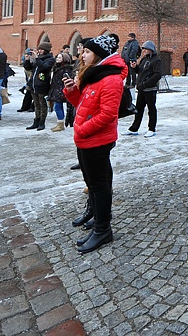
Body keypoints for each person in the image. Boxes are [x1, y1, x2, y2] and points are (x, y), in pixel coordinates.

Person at [63, 34, 126, 254]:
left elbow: (108, 114)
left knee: (99, 186)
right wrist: (72, 92)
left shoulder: (110, 78)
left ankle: (103, 229)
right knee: (93, 182)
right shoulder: (95, 75)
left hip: (96, 140)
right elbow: (84, 104)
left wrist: (82, 129)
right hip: (86, 139)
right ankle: (97, 221)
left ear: (98, 55)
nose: (82, 55)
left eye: (87, 51)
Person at [125, 41, 163, 137]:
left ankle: (151, 128)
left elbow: (157, 75)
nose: (144, 51)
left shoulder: (156, 60)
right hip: (141, 89)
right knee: (138, 109)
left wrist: (146, 84)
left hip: (150, 89)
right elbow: (140, 71)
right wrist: (135, 67)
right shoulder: (144, 59)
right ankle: (134, 128)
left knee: (151, 109)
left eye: (145, 49)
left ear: (151, 49)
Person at [24, 43, 55, 131]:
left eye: (42, 49)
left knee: (42, 104)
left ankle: (42, 122)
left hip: (42, 85)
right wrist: (27, 60)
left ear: (46, 50)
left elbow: (43, 68)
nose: (40, 51)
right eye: (39, 49)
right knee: (36, 104)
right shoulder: (38, 59)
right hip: (33, 84)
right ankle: (36, 121)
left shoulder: (50, 59)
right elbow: (29, 68)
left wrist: (37, 58)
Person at [49, 51, 74, 132]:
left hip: (61, 90)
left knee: (57, 107)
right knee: (58, 106)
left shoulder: (66, 69)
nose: (57, 59)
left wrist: (64, 90)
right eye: (57, 57)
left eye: (60, 58)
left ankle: (61, 124)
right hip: (56, 89)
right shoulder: (56, 67)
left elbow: (67, 80)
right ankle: (60, 123)